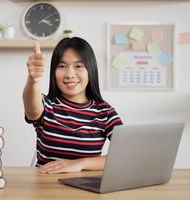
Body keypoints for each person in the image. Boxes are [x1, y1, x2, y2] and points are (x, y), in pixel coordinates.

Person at [23, 37, 123, 174]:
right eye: (62, 66)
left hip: (87, 191)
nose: (70, 74)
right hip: (45, 190)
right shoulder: (47, 105)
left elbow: (125, 154)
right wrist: (32, 80)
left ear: (90, 70)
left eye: (78, 66)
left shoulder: (105, 112)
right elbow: (31, 109)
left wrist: (81, 163)